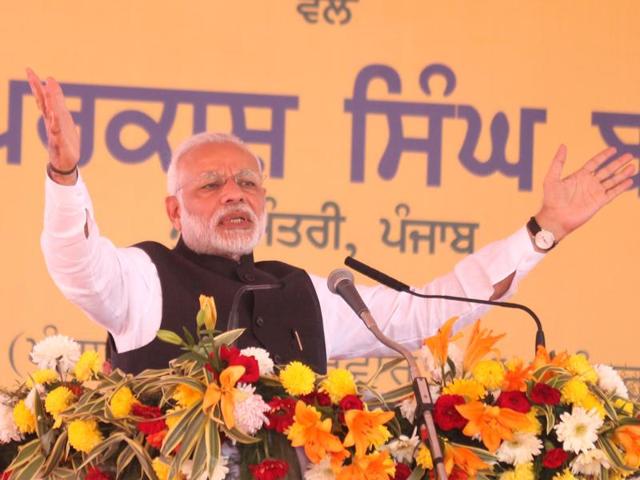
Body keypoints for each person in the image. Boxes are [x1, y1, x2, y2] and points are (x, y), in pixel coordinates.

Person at [28, 69, 637, 375]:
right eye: (211, 185)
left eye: (247, 183)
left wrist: (540, 232)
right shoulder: (142, 277)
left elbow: (423, 312)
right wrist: (64, 173)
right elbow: (78, 264)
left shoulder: (306, 293)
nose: (233, 195)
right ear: (174, 209)